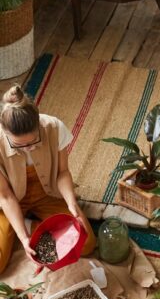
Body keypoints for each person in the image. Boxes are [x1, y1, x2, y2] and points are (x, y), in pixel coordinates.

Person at [0, 85, 96, 274]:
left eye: (33, 141)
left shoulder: (53, 126)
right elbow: (5, 197)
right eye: (19, 145)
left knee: (86, 243)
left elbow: (62, 173)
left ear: (38, 124)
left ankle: (33, 225)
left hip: (47, 193)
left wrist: (71, 203)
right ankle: (27, 225)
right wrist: (23, 237)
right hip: (10, 201)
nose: (28, 148)